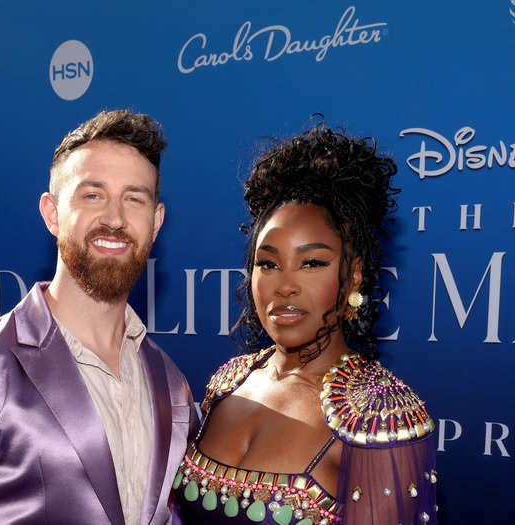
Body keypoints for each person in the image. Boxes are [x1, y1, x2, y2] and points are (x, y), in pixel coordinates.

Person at [0, 109, 198, 525]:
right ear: (52, 213)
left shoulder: (171, 384)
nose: (114, 218)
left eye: (134, 199)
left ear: (156, 222)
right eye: (92, 195)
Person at [172, 122, 437, 524]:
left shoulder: (382, 416)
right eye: (269, 263)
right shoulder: (227, 384)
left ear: (353, 276)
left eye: (312, 263)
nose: (285, 286)